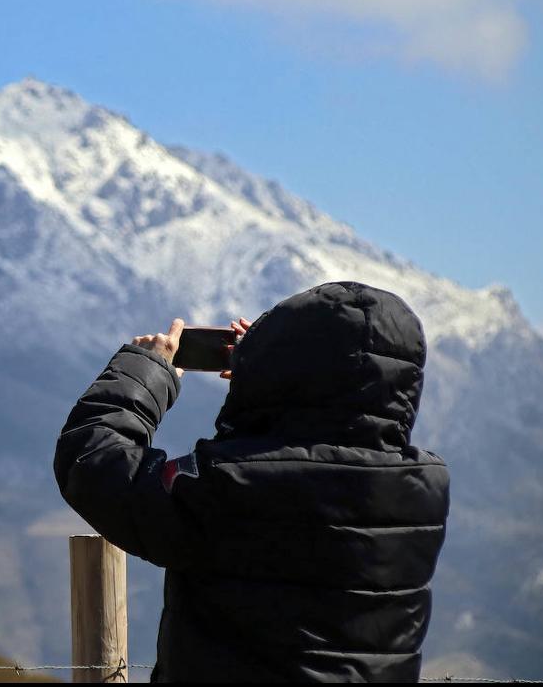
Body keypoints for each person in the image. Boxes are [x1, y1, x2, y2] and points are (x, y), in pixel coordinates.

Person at [54, 281, 449, 682]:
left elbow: (92, 461)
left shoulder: (231, 484)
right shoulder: (424, 487)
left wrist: (144, 370)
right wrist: (270, 372)